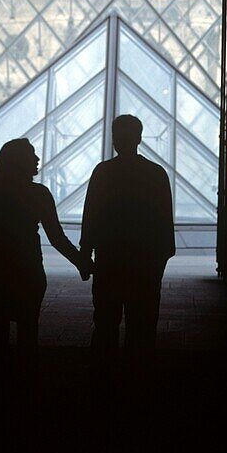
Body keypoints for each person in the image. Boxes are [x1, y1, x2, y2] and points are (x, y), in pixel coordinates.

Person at [0, 137, 89, 367]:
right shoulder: (40, 194)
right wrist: (81, 261)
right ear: (20, 161)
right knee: (28, 329)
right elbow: (57, 238)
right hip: (29, 265)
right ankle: (26, 383)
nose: (38, 158)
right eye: (32, 154)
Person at [79, 113, 175, 359]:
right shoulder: (156, 173)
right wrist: (161, 258)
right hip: (145, 263)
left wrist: (85, 253)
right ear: (139, 139)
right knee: (142, 326)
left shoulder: (102, 172)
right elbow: (165, 220)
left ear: (114, 139)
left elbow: (90, 215)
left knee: (105, 323)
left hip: (109, 260)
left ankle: (104, 379)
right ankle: (137, 378)